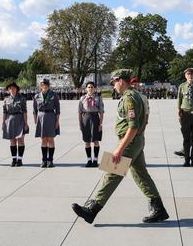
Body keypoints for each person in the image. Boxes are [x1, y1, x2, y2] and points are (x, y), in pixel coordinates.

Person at [71, 69, 169, 224]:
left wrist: (120, 149)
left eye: (114, 82)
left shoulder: (130, 98)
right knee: (141, 175)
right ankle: (159, 208)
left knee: (111, 172)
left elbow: (133, 126)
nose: (113, 86)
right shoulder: (131, 96)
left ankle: (93, 209)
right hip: (135, 140)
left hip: (129, 141)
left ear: (121, 81)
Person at [33, 78, 60, 168]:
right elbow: (34, 111)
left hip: (51, 117)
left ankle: (50, 160)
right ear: (40, 86)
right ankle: (44, 160)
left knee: (51, 139)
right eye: (42, 85)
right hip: (41, 118)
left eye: (46, 85)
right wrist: (36, 121)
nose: (44, 86)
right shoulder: (36, 96)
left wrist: (57, 121)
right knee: (43, 139)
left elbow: (58, 110)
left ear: (48, 86)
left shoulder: (54, 95)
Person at [2, 82, 29, 167]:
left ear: (16, 89)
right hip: (9, 121)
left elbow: (24, 111)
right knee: (12, 141)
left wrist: (26, 123)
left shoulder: (21, 98)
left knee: (20, 140)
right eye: (10, 89)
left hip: (20, 120)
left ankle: (20, 160)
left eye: (13, 88)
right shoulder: (6, 99)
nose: (12, 90)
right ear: (8, 90)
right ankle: (14, 159)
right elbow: (4, 112)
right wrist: (3, 123)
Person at [78, 81, 104, 167]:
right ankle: (89, 159)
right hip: (86, 119)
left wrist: (100, 124)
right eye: (88, 87)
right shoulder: (82, 98)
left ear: (94, 89)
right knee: (87, 141)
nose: (90, 89)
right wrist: (80, 124)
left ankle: (95, 160)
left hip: (95, 119)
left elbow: (101, 112)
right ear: (86, 89)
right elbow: (79, 112)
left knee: (96, 140)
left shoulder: (98, 98)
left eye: (92, 87)